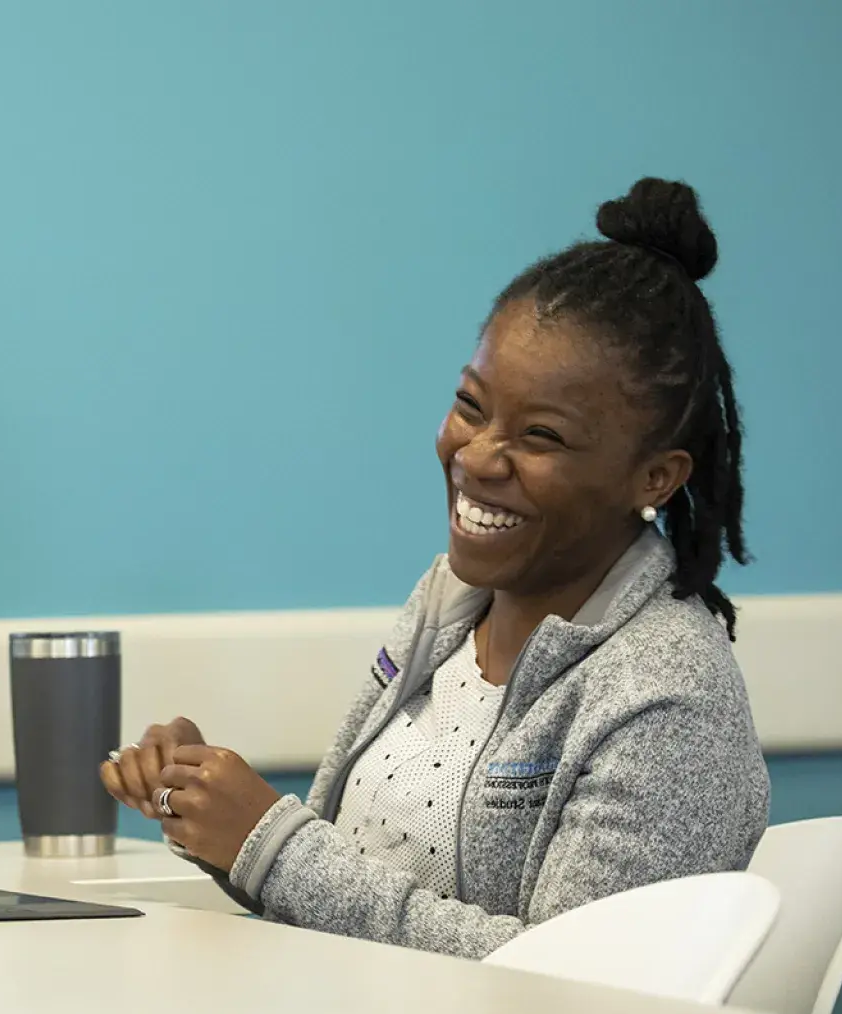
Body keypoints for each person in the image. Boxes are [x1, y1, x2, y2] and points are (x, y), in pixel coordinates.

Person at [102, 178, 768, 959]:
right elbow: (347, 888)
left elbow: (578, 982)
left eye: (542, 436)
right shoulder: (452, 606)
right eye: (472, 406)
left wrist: (272, 844)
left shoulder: (667, 696)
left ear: (654, 478)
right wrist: (210, 810)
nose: (477, 457)